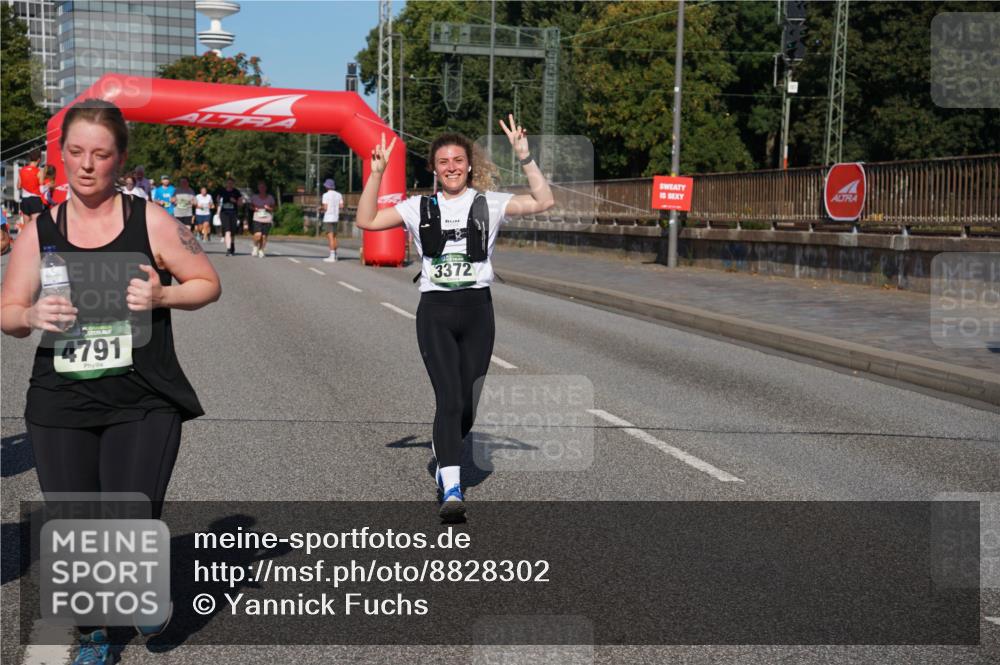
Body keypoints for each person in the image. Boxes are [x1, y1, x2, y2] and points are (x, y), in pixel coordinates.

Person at [0, 99, 221, 664]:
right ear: (62, 156)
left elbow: (206, 281)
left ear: (120, 159)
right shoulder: (39, 231)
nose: (86, 165)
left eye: (100, 154)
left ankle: (143, 588)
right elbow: (8, 308)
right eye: (75, 152)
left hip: (143, 398)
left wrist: (164, 294)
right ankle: (96, 637)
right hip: (60, 400)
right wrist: (30, 317)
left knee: (128, 515)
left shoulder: (150, 221)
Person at [355, 115, 554, 522]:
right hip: (436, 313)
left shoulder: (490, 203)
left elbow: (544, 202)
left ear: (468, 165)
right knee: (449, 398)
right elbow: (367, 220)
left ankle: (443, 443)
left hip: (478, 311)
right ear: (434, 168)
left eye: (458, 160)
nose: (451, 167)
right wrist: (375, 175)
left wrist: (526, 157)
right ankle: (451, 485)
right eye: (443, 161)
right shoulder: (417, 207)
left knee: (468, 406)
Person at [214, 178, 243, 256]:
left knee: (232, 232)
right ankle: (228, 249)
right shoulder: (222, 191)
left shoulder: (236, 192)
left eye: (231, 183)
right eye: (228, 183)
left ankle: (232, 245)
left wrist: (235, 201)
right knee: (227, 230)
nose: (230, 184)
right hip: (224, 213)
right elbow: (218, 201)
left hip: (233, 213)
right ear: (226, 183)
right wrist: (218, 209)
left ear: (233, 184)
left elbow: (241, 203)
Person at [249, 180, 275, 258]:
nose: (262, 189)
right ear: (258, 188)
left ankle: (261, 250)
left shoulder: (270, 197)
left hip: (267, 218)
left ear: (266, 188)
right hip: (257, 218)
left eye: (263, 187)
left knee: (264, 237)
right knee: (258, 235)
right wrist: (255, 208)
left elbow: (274, 207)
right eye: (260, 187)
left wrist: (269, 208)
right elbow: (250, 206)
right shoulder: (254, 197)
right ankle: (255, 247)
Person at [18, 150, 45, 225]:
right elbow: (41, 187)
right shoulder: (39, 171)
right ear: (39, 160)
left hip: (25, 200)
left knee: (26, 226)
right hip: (35, 200)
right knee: (36, 225)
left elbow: (18, 186)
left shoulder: (21, 170)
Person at [321, 178, 344, 262]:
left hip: (328, 218)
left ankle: (332, 256)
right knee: (334, 237)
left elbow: (325, 207)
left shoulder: (325, 195)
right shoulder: (339, 194)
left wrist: (320, 208)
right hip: (336, 217)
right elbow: (341, 206)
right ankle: (335, 255)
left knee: (330, 237)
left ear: (327, 186)